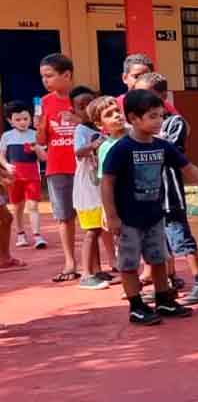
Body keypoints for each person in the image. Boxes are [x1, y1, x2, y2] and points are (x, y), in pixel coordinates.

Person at [102, 89, 198, 325]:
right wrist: (112, 215)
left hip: (155, 216)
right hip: (129, 219)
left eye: (161, 116)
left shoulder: (162, 146)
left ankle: (163, 299)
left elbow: (187, 166)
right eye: (153, 116)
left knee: (158, 259)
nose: (160, 121)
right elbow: (107, 182)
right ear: (134, 119)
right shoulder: (122, 149)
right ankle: (136, 306)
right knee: (129, 264)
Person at [132, 73, 198, 304]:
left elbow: (169, 151)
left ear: (163, 96)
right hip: (149, 197)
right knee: (160, 242)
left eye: (147, 94)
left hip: (170, 195)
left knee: (181, 237)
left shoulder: (174, 123)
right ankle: (168, 282)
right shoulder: (138, 126)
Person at [37, 53, 80, 282]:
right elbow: (42, 140)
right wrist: (40, 126)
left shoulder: (83, 98)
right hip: (57, 166)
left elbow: (98, 130)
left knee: (95, 214)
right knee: (64, 217)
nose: (45, 80)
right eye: (43, 76)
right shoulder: (44, 102)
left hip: (84, 166)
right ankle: (69, 262)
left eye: (49, 75)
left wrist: (78, 120)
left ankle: (111, 261)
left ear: (67, 75)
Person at [71, 86, 116, 290]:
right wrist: (95, 145)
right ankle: (86, 274)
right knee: (91, 231)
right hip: (87, 190)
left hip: (97, 189)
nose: (85, 108)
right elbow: (79, 152)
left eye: (89, 103)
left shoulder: (98, 130)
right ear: (75, 111)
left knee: (97, 229)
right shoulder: (81, 130)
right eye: (80, 106)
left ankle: (97, 270)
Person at [1, 100, 47, 249]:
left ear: (31, 117)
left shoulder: (35, 135)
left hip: (33, 176)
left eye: (26, 119)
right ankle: (20, 234)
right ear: (10, 121)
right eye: (18, 119)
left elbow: (44, 157)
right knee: (17, 207)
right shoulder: (7, 136)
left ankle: (37, 235)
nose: (22, 122)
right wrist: (7, 165)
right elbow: (1, 155)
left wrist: (37, 149)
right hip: (15, 177)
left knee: (33, 205)